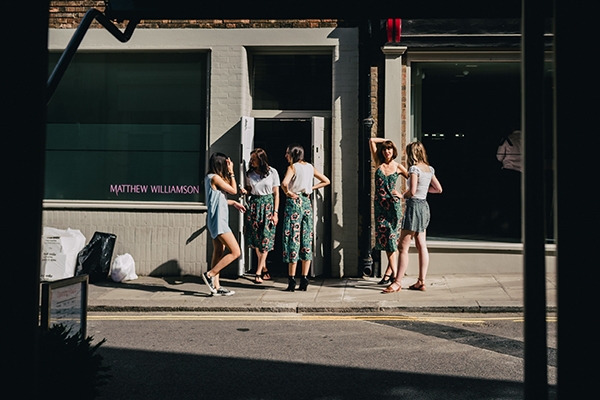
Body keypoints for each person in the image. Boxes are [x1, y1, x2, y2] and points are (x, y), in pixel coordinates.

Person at [383, 141, 442, 293]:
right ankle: (421, 281)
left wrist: (401, 195)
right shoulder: (429, 169)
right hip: (424, 206)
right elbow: (438, 189)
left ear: (413, 153)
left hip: (414, 206)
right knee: (421, 245)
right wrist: (424, 191)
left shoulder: (414, 169)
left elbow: (413, 191)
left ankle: (397, 282)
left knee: (403, 246)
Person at [280, 144, 330, 292]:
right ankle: (305, 279)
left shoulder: (292, 167)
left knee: (292, 239)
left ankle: (291, 281)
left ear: (293, 154)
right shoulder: (309, 167)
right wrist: (310, 188)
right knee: (306, 239)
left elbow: (284, 183)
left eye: (287, 153)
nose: (285, 156)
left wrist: (288, 193)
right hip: (306, 203)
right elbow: (326, 180)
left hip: (294, 203)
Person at [202, 152, 246, 296]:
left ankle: (216, 286)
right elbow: (233, 190)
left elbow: (217, 201)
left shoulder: (210, 178)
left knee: (218, 252)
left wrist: (233, 203)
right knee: (236, 251)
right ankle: (210, 275)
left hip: (216, 220)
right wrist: (232, 172)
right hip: (219, 221)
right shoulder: (214, 178)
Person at [369, 137, 409, 285]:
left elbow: (413, 179)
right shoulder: (378, 163)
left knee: (391, 240)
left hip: (393, 207)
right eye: (385, 149)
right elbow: (371, 141)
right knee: (385, 240)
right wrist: (386, 140)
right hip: (380, 207)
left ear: (394, 151)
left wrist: (403, 194)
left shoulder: (398, 166)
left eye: (390, 149)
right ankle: (389, 274)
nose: (387, 151)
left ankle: (394, 277)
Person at [243, 148, 280, 284]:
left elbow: (276, 194)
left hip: (268, 205)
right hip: (254, 205)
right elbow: (249, 189)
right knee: (257, 240)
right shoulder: (249, 174)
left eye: (254, 159)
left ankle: (258, 272)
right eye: (251, 159)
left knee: (266, 240)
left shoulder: (272, 172)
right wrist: (245, 191)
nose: (251, 162)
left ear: (261, 160)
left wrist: (275, 213)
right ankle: (263, 267)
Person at [496, 130, 522, 238]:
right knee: (520, 202)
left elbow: (499, 157)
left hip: (509, 173)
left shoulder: (507, 139)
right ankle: (519, 228)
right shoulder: (529, 139)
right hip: (523, 174)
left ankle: (509, 228)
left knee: (508, 202)